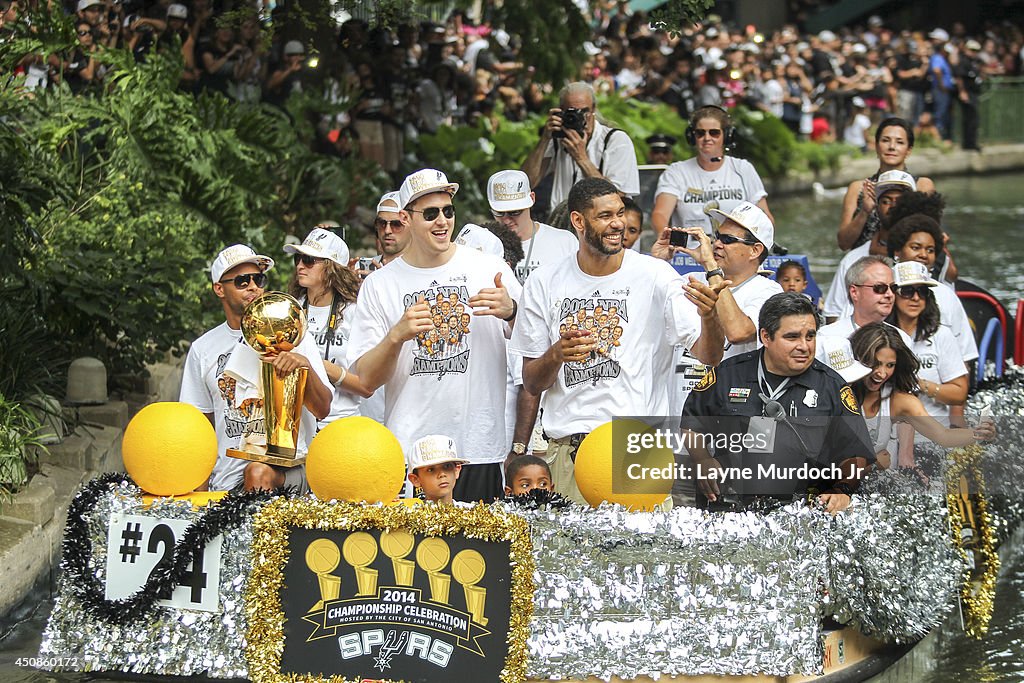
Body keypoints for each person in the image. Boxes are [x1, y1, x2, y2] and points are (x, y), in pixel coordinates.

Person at [509, 177, 727, 503]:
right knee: (569, 552)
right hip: (570, 451)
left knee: (648, 554)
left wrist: (710, 316)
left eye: (621, 213)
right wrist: (556, 355)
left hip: (638, 449)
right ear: (579, 221)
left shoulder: (656, 275)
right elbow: (531, 382)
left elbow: (709, 357)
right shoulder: (544, 282)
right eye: (605, 216)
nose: (618, 224)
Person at [347, 169, 521, 503]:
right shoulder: (381, 284)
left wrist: (511, 310)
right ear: (405, 218)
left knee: (476, 554)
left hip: (476, 446)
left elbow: (535, 342)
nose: (442, 221)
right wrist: (396, 336)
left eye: (448, 211)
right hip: (412, 451)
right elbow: (367, 378)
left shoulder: (488, 267)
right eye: (430, 214)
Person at [681, 293, 874, 514]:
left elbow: (857, 455)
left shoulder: (832, 387)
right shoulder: (728, 375)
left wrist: (841, 491)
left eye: (810, 336)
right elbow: (691, 422)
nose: (804, 346)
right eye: (792, 337)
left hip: (801, 512)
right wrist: (702, 459)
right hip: (730, 508)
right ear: (766, 337)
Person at [179, 244, 331, 492]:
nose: (253, 287)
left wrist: (304, 368)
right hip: (225, 478)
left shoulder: (294, 334)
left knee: (257, 472)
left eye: (258, 279)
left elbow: (323, 408)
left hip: (286, 470)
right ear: (219, 289)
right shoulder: (203, 349)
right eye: (241, 281)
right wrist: (198, 499)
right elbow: (198, 430)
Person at [848, 323, 992, 469]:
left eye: (890, 365)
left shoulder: (900, 401)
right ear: (860, 357)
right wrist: (871, 465)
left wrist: (979, 434)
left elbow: (944, 436)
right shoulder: (838, 392)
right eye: (875, 363)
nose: (882, 373)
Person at [283, 227, 372, 426]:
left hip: (340, 424)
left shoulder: (354, 313)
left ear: (332, 267)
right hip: (295, 425)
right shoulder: (289, 309)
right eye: (297, 259)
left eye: (309, 260)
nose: (300, 266)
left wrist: (322, 369)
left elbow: (367, 387)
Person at [651, 105, 773, 238]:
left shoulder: (743, 169)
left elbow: (764, 216)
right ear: (692, 137)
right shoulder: (675, 172)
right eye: (700, 133)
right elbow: (660, 214)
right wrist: (666, 237)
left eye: (714, 133)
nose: (707, 138)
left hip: (734, 254)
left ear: (726, 136)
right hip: (688, 253)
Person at [521, 81, 640, 214]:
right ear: (561, 110)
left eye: (584, 111)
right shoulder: (557, 139)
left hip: (602, 226)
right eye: (572, 112)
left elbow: (619, 196)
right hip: (563, 225)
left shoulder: (615, 140)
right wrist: (544, 140)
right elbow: (525, 184)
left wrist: (582, 158)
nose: (580, 117)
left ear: (594, 109)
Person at [824, 170, 916, 321]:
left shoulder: (924, 257)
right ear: (877, 207)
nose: (893, 207)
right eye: (886, 201)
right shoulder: (853, 260)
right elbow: (833, 314)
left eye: (900, 202)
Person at [885, 214, 977, 365]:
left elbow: (964, 357)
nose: (923, 255)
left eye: (930, 250)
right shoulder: (881, 288)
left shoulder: (946, 295)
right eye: (915, 247)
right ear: (897, 251)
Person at [884, 261, 967, 422]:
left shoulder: (942, 334)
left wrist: (920, 385)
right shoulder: (879, 333)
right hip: (890, 431)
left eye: (922, 291)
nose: (915, 298)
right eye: (907, 291)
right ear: (892, 293)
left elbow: (960, 393)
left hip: (935, 432)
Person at [837, 117, 936, 251]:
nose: (892, 147)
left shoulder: (921, 186)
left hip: (905, 265)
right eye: (885, 140)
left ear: (909, 150)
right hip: (864, 265)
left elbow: (930, 236)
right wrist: (865, 212)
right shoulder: (859, 188)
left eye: (900, 142)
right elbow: (843, 243)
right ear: (876, 146)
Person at [486, 169, 578, 283]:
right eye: (499, 213)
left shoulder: (564, 241)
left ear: (532, 198)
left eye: (515, 212)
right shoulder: (482, 244)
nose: (506, 220)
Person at [407, 434, 469, 504]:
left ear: (456, 470)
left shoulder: (473, 512)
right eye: (431, 469)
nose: (442, 474)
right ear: (415, 479)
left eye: (447, 466)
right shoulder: (406, 514)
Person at [955, 40, 983, 151]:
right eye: (972, 50)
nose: (973, 52)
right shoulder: (963, 61)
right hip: (968, 93)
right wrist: (962, 92)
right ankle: (969, 143)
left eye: (976, 50)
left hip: (974, 93)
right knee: (970, 118)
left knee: (973, 119)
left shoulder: (974, 62)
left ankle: (971, 143)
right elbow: (959, 77)